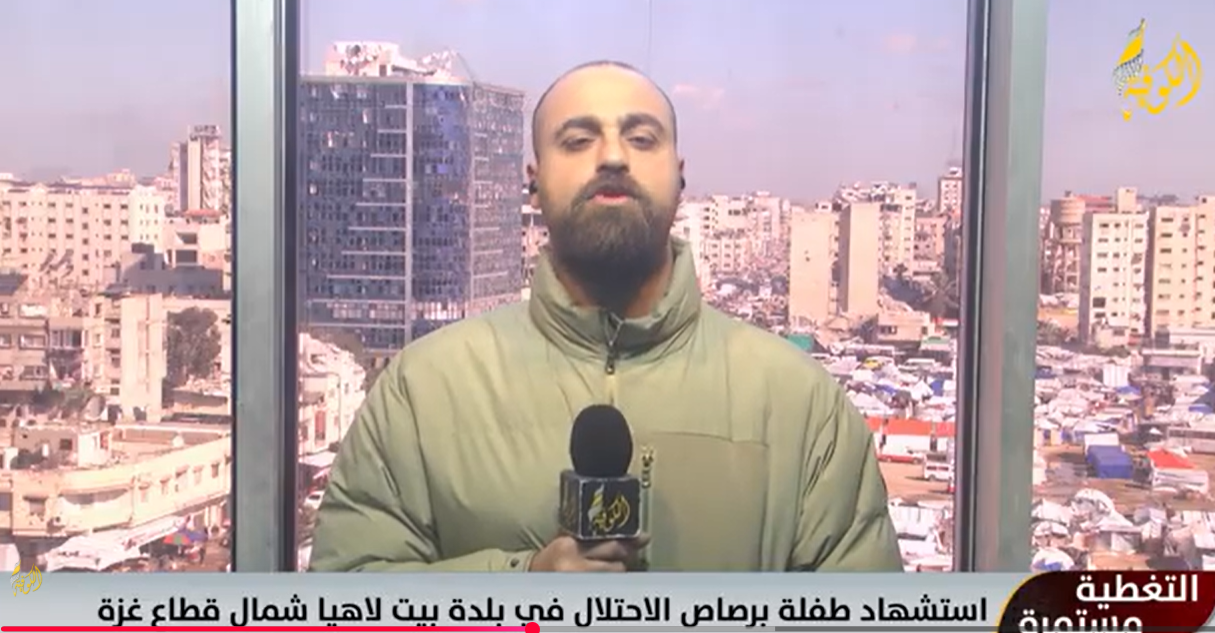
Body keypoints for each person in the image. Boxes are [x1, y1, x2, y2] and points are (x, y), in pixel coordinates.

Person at [309, 60, 903, 573]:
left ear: (680, 178)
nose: (614, 156)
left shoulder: (801, 404)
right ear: (533, 185)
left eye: (642, 139)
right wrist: (519, 589)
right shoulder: (422, 391)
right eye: (577, 140)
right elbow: (346, 598)